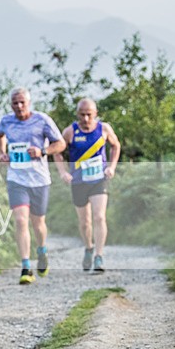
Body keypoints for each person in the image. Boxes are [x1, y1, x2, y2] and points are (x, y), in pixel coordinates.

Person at [0, 88, 66, 285]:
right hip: (17, 179)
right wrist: (2, 153)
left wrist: (42, 151)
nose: (18, 107)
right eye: (15, 103)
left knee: (38, 223)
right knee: (20, 220)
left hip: (39, 179)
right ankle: (26, 267)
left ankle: (42, 251)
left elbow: (60, 144)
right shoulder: (6, 121)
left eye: (22, 103)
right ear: (10, 105)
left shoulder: (42, 120)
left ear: (29, 103)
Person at [53, 98, 121, 273]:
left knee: (99, 217)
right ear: (77, 114)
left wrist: (112, 167)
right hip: (79, 181)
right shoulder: (70, 131)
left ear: (95, 114)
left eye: (89, 115)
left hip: (99, 179)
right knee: (85, 222)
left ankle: (99, 256)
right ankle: (88, 248)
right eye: (82, 115)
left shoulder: (104, 129)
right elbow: (57, 151)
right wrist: (63, 172)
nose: (85, 118)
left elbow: (116, 146)